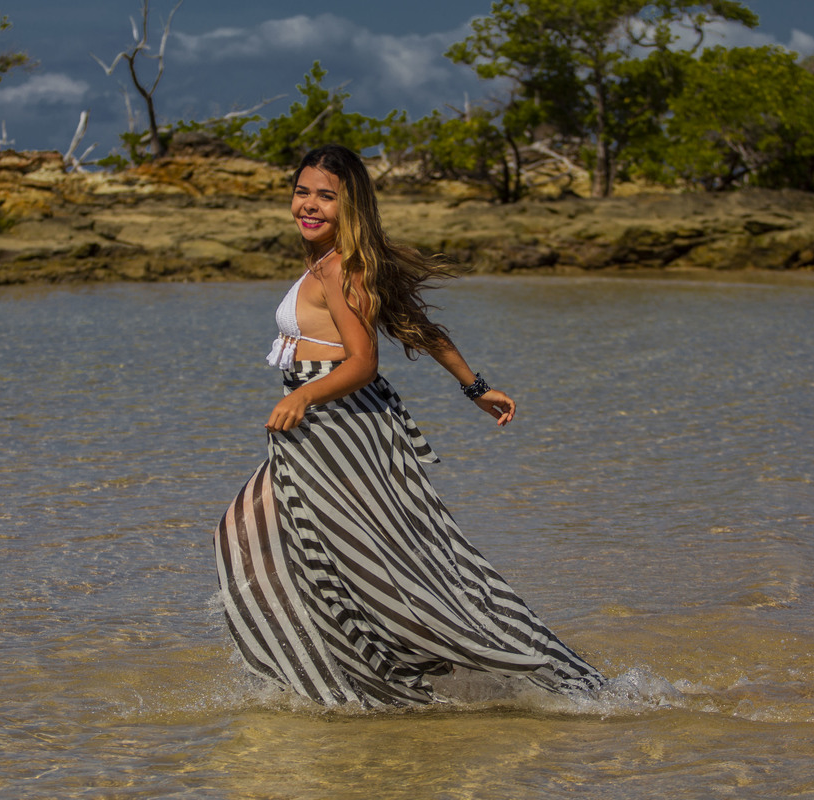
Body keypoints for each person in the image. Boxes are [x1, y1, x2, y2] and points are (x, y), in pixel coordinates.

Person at [213, 144, 604, 707]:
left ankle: (373, 681)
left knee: (347, 552)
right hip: (330, 426)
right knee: (307, 544)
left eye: (327, 196)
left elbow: (363, 360)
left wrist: (303, 396)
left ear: (352, 204)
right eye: (303, 191)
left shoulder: (341, 266)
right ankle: (349, 675)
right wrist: (475, 387)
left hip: (335, 425)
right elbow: (415, 325)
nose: (310, 205)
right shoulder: (341, 259)